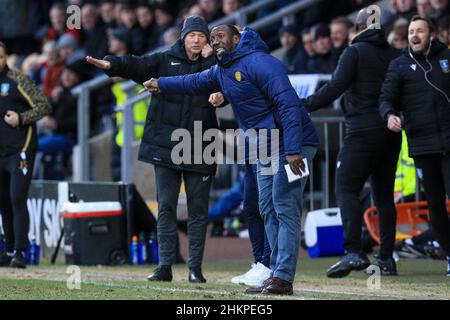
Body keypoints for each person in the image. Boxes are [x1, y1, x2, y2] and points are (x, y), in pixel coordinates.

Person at [142, 24, 319, 295]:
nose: (215, 41)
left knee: (284, 205)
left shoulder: (262, 63)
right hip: (265, 142)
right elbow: (192, 82)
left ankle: (283, 277)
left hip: (293, 142)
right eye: (212, 39)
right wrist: (160, 83)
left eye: (220, 36)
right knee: (266, 207)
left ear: (237, 39)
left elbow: (289, 105)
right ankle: (273, 272)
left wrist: (294, 149)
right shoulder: (222, 69)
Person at [86, 16, 220, 283]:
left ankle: (195, 269)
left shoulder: (214, 64)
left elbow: (225, 78)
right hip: (165, 144)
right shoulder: (164, 59)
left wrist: (212, 60)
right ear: (183, 37)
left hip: (200, 145)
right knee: (166, 207)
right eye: (192, 35)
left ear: (207, 40)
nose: (196, 40)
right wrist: (112, 64)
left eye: (201, 36)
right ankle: (165, 266)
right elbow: (137, 64)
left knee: (197, 210)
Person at [302, 8, 402, 278]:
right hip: (390, 132)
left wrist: (304, 106)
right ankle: (385, 259)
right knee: (383, 196)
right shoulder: (395, 54)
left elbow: (334, 88)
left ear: (356, 28)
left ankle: (354, 251)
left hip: (361, 131)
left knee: (345, 188)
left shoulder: (354, 52)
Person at [379, 15, 450, 276]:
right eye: (411, 32)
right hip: (423, 146)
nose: (414, 35)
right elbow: (386, 97)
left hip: (449, 143)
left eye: (420, 30)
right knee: (435, 206)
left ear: (431, 34)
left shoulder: (446, 58)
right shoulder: (399, 65)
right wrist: (389, 115)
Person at [0, 41, 52, 268]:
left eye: (0, 56)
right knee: (3, 202)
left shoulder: (18, 80)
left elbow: (44, 106)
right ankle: (9, 248)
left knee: (17, 198)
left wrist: (20, 119)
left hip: (20, 150)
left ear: (6, 58)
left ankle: (20, 252)